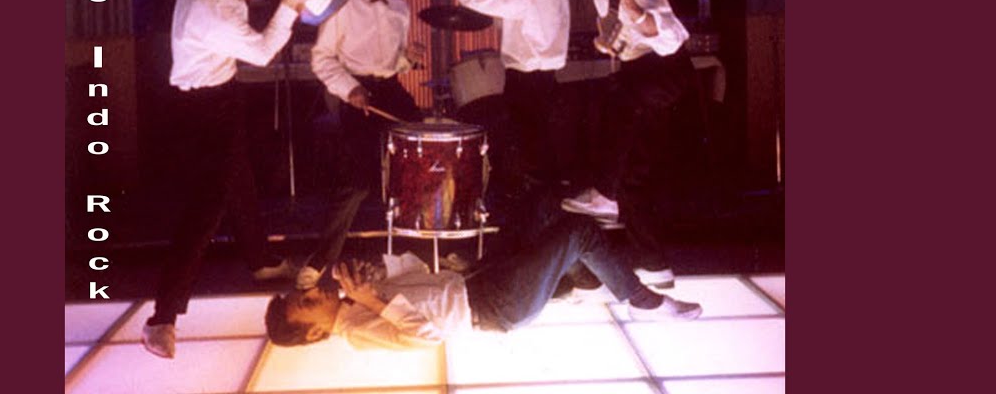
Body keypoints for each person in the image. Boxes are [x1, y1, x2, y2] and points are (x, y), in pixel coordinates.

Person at [142, 0, 321, 359]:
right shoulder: (211, 13)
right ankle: (162, 318)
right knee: (207, 209)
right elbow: (261, 52)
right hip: (200, 107)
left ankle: (260, 260)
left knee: (238, 177)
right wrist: (290, 4)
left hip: (221, 91)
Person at [263, 214, 701, 350]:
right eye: (308, 304)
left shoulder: (353, 299)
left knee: (541, 207)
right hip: (495, 305)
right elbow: (428, 338)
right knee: (577, 232)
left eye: (304, 293)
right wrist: (374, 300)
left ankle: (579, 283)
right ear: (315, 332)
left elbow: (421, 275)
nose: (314, 292)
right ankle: (643, 301)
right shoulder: (358, 332)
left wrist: (381, 275)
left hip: (477, 280)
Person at [553, 0, 695, 290]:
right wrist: (609, 44)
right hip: (639, 73)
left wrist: (634, 10)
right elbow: (623, 42)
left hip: (663, 72)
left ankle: (604, 193)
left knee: (618, 104)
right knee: (633, 173)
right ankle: (654, 267)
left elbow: (671, 37)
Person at [303, 0, 425, 288]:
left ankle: (419, 248)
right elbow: (321, 59)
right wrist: (350, 89)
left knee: (423, 157)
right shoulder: (342, 4)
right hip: (355, 90)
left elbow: (394, 63)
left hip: (390, 89)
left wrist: (408, 59)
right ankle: (321, 259)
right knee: (356, 182)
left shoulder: (400, 7)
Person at [451, 0, 570, 191]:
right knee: (539, 152)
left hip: (525, 83)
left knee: (528, 158)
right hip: (547, 81)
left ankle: (533, 206)